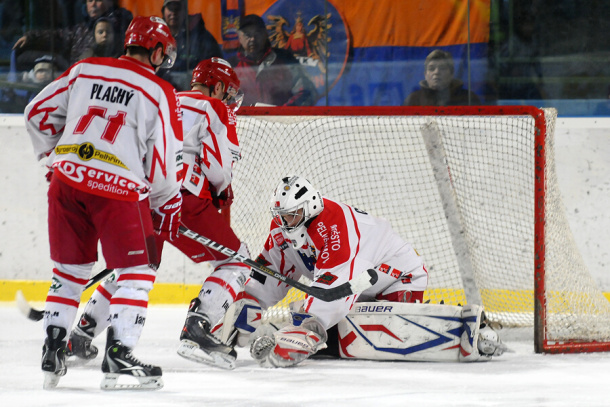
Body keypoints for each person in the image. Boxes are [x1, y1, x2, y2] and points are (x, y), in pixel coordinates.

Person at [24, 15, 182, 390]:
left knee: (69, 274)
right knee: (137, 273)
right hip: (118, 191)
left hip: (67, 183)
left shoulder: (84, 69)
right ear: (156, 51)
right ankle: (119, 356)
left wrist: (54, 157)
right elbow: (162, 162)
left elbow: (35, 114)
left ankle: (53, 351)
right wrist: (166, 203)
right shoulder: (158, 90)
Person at [65, 58, 250, 370]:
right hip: (185, 199)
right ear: (218, 87)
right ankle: (198, 327)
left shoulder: (164, 98)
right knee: (237, 260)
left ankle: (82, 333)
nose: (230, 100)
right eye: (229, 93)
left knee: (136, 268)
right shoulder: (213, 107)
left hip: (142, 197)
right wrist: (221, 190)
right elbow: (219, 168)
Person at [214, 175, 506, 368]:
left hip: (397, 277)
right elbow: (267, 275)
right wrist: (245, 310)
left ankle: (470, 330)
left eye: (291, 215)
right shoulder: (284, 231)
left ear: (310, 206)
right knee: (325, 319)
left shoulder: (333, 224)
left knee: (375, 325)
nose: (285, 222)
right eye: (281, 216)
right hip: (359, 286)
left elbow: (334, 285)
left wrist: (308, 329)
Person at [228, 14, 318, 107]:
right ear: (239, 37)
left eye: (257, 33)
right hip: (244, 117)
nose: (253, 39)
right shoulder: (231, 66)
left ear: (265, 34)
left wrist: (282, 112)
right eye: (248, 35)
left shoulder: (285, 58)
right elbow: (224, 101)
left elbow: (307, 92)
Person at [13, 0, 132, 65]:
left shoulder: (121, 27)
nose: (93, 5)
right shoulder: (81, 29)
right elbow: (59, 35)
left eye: (98, 0)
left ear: (111, 2)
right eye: (90, 1)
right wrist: (32, 37)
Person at [157, 0, 223, 90]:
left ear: (185, 11)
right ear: (163, 11)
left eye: (178, 8)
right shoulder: (157, 36)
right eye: (171, 8)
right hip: (162, 92)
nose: (174, 13)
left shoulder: (201, 36)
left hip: (192, 94)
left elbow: (215, 70)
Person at [403, 49, 481, 106]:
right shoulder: (413, 100)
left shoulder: (468, 98)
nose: (436, 72)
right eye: (431, 68)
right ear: (425, 74)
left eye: (442, 68)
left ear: (452, 73)